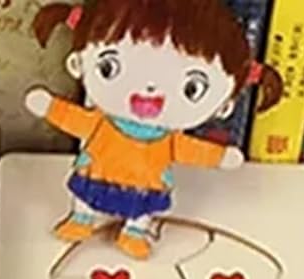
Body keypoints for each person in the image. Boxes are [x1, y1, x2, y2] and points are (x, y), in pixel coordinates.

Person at [27, 0, 282, 259]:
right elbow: (77, 120)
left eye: (191, 88)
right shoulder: (102, 123)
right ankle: (82, 218)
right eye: (109, 67)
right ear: (77, 64)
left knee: (142, 209)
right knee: (86, 194)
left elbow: (190, 150)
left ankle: (135, 232)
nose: (149, 91)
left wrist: (220, 157)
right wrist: (50, 107)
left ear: (224, 106)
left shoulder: (168, 140)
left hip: (145, 184)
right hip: (97, 172)